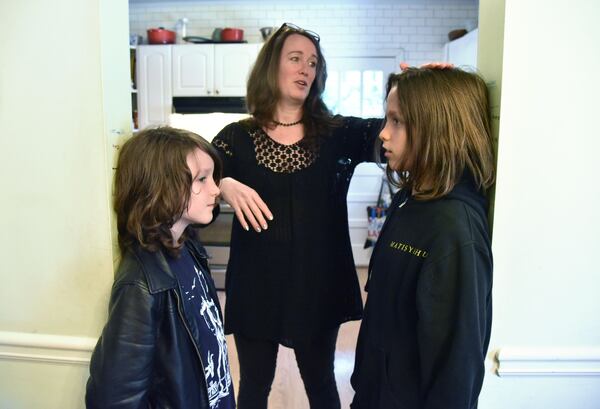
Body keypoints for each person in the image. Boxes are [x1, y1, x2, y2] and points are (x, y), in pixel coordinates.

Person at [211, 22, 383, 409]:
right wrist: (222, 183)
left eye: (313, 63)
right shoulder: (235, 138)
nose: (306, 69)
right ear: (272, 66)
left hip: (318, 286)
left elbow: (389, 135)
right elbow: (187, 170)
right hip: (257, 287)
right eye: (295, 59)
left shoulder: (338, 133)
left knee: (321, 384)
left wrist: (417, 89)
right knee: (253, 386)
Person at [350, 67, 495, 409]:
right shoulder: (411, 199)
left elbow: (455, 372)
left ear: (437, 127)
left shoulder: (455, 232)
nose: (383, 134)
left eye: (397, 121)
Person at [86, 127, 235, 409]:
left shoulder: (188, 247)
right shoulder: (140, 285)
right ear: (161, 186)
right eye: (202, 179)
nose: (216, 189)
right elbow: (114, 399)